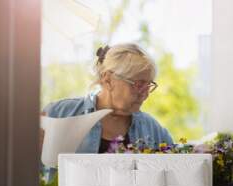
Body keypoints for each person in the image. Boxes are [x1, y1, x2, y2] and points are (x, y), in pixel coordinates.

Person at [40, 43, 173, 156]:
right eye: (138, 85)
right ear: (107, 79)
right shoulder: (58, 114)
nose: (145, 94)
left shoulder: (152, 129)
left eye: (148, 85)